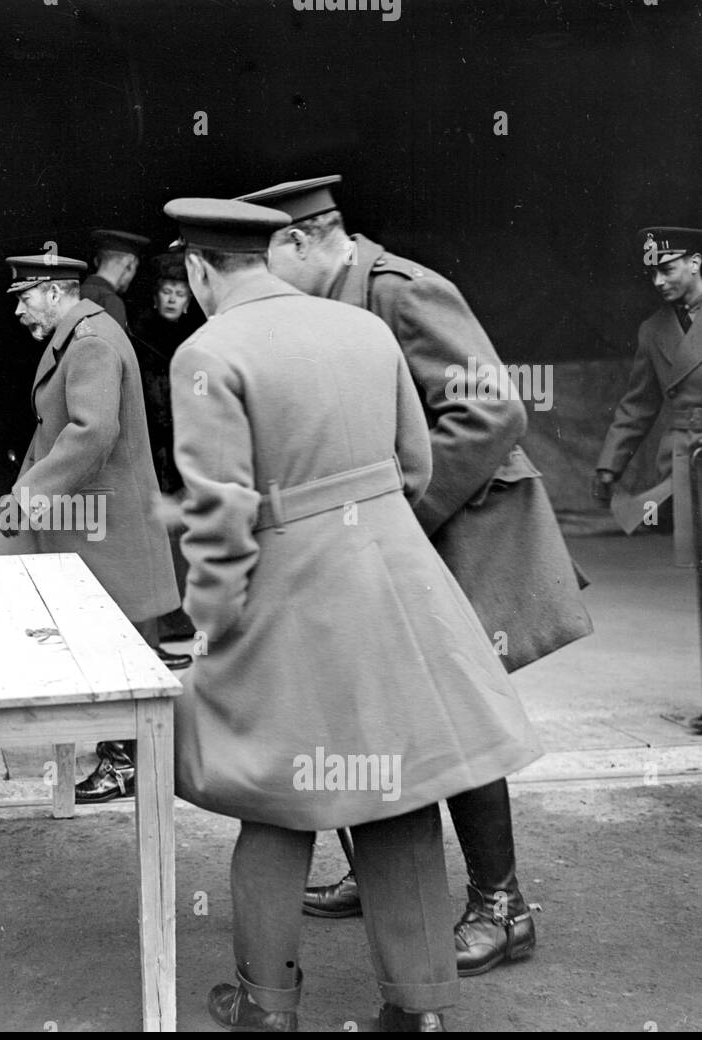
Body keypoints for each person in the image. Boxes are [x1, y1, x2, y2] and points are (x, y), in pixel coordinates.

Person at [163, 196, 541, 1031]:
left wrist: (209, 622)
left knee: (276, 795)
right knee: (398, 789)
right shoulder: (362, 328)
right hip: (396, 581)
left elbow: (219, 510)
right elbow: (415, 463)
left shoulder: (206, 351)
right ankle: (422, 1011)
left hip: (286, 592)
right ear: (268, 253)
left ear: (198, 271)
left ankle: (267, 1006)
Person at [241, 174, 590, 976]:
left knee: (452, 711)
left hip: (454, 528)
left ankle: (503, 908)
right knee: (376, 701)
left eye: (264, 261)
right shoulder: (331, 302)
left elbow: (493, 409)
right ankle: (383, 875)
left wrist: (398, 512)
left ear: (302, 241)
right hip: (389, 537)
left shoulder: (399, 290)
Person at [0, 253, 182, 803]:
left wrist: (26, 498)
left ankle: (127, 762)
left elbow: (92, 433)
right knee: (120, 638)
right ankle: (128, 757)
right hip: (93, 516)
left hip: (103, 520)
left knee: (121, 643)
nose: (20, 312)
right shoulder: (83, 333)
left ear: (54, 292)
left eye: (24, 299)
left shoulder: (90, 341)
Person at [593, 226, 702, 567]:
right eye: (653, 272)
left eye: (667, 270)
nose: (657, 281)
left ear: (695, 263)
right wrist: (609, 466)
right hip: (687, 459)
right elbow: (637, 406)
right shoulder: (653, 330)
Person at [132, 251, 203, 640]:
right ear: (156, 296)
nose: (174, 299)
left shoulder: (197, 339)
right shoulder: (139, 334)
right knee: (158, 531)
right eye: (167, 291)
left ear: (189, 300)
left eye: (180, 292)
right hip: (155, 445)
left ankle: (185, 616)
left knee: (188, 528)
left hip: (187, 443)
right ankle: (163, 618)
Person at [79, 229, 149, 331]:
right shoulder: (111, 302)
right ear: (128, 265)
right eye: (135, 268)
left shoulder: (74, 292)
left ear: (97, 261)